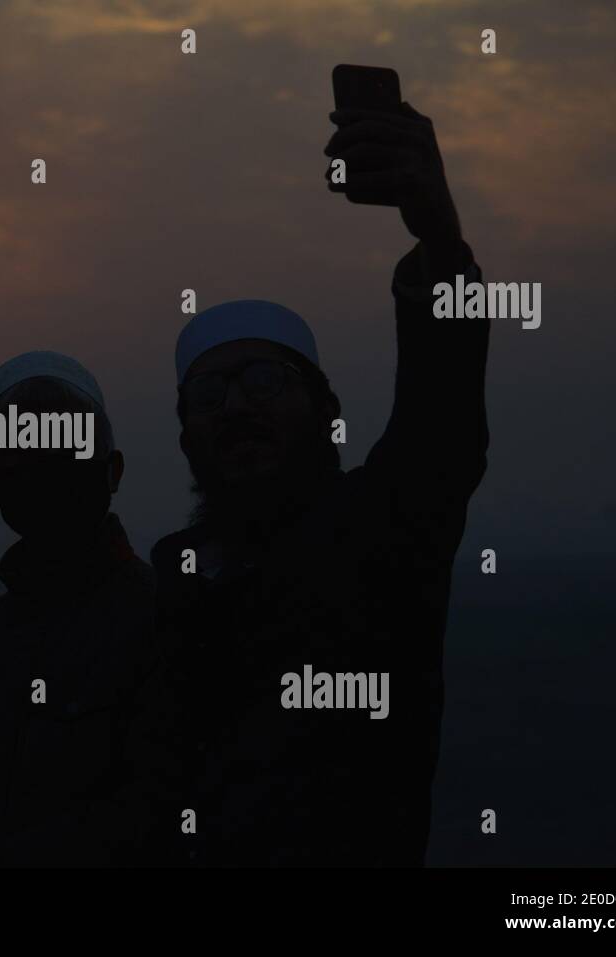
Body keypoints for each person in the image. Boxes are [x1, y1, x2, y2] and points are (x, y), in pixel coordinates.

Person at [131, 99, 490, 865]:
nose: (235, 407)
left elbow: (442, 413)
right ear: (185, 433)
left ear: (325, 408)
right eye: (209, 395)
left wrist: (437, 235)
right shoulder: (176, 570)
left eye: (263, 381)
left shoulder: (386, 524)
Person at [0, 352, 155, 867]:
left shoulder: (177, 620)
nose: (46, 465)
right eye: (24, 450)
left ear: (113, 471)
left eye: (65, 447)